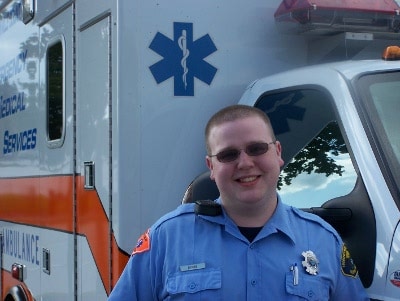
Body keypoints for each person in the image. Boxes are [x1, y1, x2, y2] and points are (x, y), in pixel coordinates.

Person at [108, 104, 369, 300]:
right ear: (211, 167)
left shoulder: (324, 241)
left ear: (277, 153)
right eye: (228, 154)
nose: (245, 163)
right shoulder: (166, 239)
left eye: (256, 149)